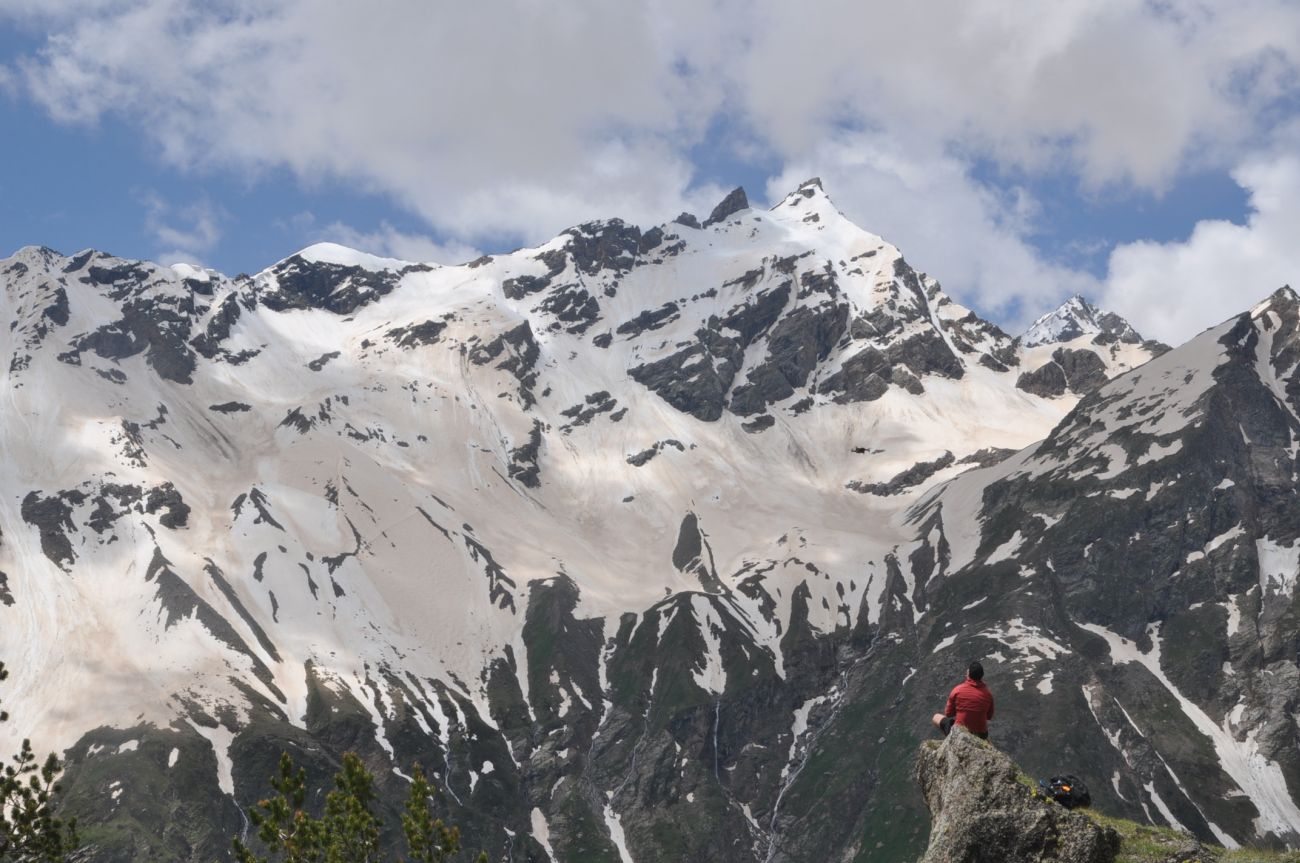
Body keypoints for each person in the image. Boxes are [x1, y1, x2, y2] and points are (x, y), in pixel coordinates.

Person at [931, 660, 994, 740]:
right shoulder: (988, 695)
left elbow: (948, 713)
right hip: (981, 735)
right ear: (981, 676)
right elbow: (989, 716)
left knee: (936, 717)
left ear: (968, 674)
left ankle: (949, 742)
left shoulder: (957, 690)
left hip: (960, 732)